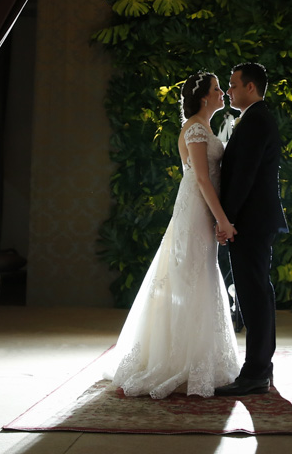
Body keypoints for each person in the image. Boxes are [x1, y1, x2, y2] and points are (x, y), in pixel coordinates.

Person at [106, 72, 241, 398]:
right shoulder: (195, 128)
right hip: (195, 209)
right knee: (189, 277)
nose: (222, 92)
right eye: (217, 88)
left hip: (202, 209)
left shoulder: (206, 127)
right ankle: (177, 360)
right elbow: (202, 180)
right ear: (204, 97)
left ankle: (201, 357)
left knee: (200, 276)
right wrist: (222, 219)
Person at [214, 61, 287, 396]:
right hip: (254, 219)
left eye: (232, 84)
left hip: (251, 221)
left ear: (251, 88)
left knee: (254, 294)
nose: (229, 90)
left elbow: (244, 175)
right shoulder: (254, 118)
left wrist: (226, 219)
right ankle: (261, 368)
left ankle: (256, 371)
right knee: (257, 292)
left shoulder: (256, 120)